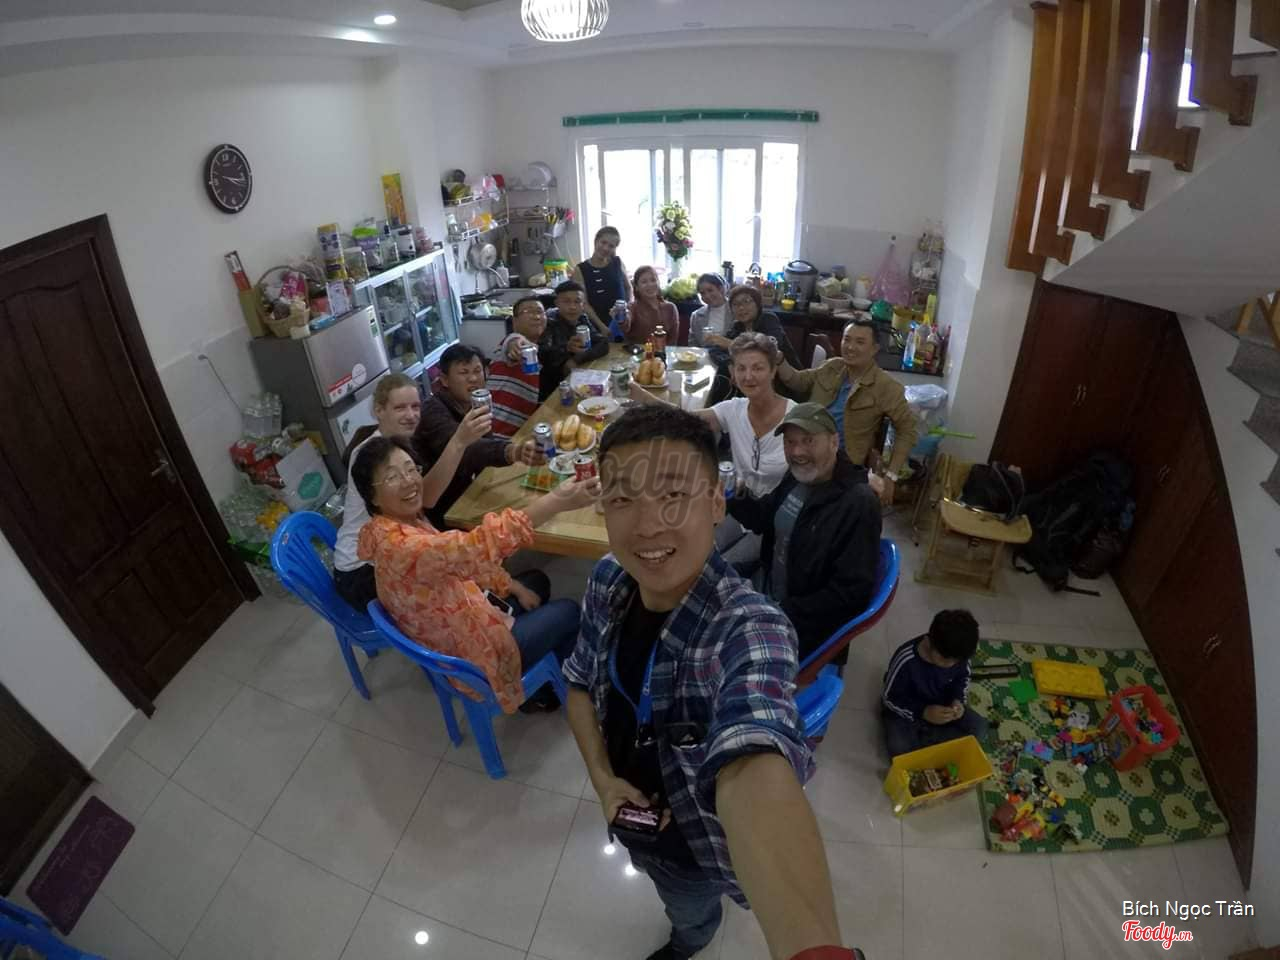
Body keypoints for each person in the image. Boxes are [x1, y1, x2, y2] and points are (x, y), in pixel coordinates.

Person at [563, 405, 865, 960]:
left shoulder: (750, 628)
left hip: (692, 850)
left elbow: (753, 754)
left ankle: (691, 941)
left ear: (716, 502)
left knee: (689, 909)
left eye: (674, 495)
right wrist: (604, 781)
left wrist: (813, 951)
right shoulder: (609, 579)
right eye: (623, 499)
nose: (647, 525)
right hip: (630, 813)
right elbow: (580, 683)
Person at [353, 435, 599, 712]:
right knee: (569, 611)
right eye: (392, 477)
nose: (409, 481)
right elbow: (475, 546)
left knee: (535, 582)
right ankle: (562, 690)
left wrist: (512, 586)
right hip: (475, 653)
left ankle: (543, 664)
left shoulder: (389, 526)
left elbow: (458, 562)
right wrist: (557, 500)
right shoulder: (401, 547)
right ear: (371, 496)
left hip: (463, 614)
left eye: (411, 469)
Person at [726, 403, 882, 663]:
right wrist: (736, 492)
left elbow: (851, 595)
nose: (797, 452)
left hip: (800, 624)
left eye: (808, 441)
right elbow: (764, 519)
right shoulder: (797, 476)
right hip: (768, 585)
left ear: (834, 442)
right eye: (790, 442)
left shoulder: (858, 504)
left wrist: (775, 611)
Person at [332, 374, 491, 611]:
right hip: (361, 570)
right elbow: (426, 499)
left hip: (391, 551)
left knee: (465, 571)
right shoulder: (369, 454)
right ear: (379, 411)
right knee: (456, 595)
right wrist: (458, 441)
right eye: (400, 408)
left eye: (415, 407)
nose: (411, 415)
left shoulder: (400, 443)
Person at [777, 318, 918, 506]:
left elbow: (907, 430)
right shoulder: (832, 367)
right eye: (847, 339)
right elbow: (797, 381)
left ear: (875, 349)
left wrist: (890, 476)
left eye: (860, 342)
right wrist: (779, 360)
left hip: (842, 466)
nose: (850, 347)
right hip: (806, 450)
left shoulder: (886, 386)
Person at [688, 332, 794, 576]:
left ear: (773, 371)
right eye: (741, 368)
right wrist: (640, 399)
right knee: (693, 550)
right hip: (740, 508)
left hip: (774, 523)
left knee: (713, 571)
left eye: (758, 368)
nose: (748, 376)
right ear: (733, 373)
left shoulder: (794, 418)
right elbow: (683, 419)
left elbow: (824, 461)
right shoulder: (733, 409)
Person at [414, 343, 543, 529]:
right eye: (463, 373)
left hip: (471, 493)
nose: (473, 378)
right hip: (442, 513)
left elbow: (484, 448)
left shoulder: (475, 403)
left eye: (477, 371)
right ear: (444, 380)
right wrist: (512, 451)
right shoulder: (433, 411)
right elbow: (466, 449)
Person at [881, 609, 988, 757]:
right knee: (899, 747)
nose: (950, 665)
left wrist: (958, 701)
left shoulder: (959, 656)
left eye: (955, 661)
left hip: (941, 704)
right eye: (945, 660)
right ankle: (929, 739)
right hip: (908, 710)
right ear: (929, 641)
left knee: (980, 729)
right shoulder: (907, 660)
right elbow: (889, 699)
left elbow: (962, 679)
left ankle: (927, 738)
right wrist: (923, 712)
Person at [488, 297, 549, 436]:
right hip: (494, 432)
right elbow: (514, 341)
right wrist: (516, 345)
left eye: (540, 311)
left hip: (518, 433)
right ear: (514, 321)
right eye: (528, 311)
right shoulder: (508, 344)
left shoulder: (538, 351)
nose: (536, 316)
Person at [541, 280, 609, 398]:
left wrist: (577, 359)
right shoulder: (548, 322)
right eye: (566, 301)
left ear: (583, 305)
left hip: (580, 376)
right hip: (554, 387)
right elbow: (545, 355)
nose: (572, 307)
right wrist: (566, 348)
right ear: (557, 303)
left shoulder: (582, 318)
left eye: (577, 301)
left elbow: (603, 343)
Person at [710, 284, 802, 370]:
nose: (741, 308)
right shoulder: (737, 326)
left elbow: (770, 349)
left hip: (786, 376)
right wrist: (729, 363)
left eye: (746, 301)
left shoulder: (768, 319)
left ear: (758, 304)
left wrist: (731, 344)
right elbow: (715, 350)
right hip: (755, 374)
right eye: (735, 304)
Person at [573, 225, 631, 338]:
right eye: (603, 242)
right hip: (597, 327)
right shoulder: (580, 269)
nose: (606, 248)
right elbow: (584, 303)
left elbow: (629, 288)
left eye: (611, 246)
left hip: (623, 323)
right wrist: (602, 327)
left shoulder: (617, 262)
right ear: (596, 241)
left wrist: (628, 309)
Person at [619, 265, 679, 346]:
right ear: (636, 287)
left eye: (653, 280)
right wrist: (620, 316)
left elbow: (673, 341)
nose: (650, 285)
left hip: (663, 352)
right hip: (639, 352)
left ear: (658, 282)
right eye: (644, 282)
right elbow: (625, 326)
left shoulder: (670, 308)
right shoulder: (632, 307)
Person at [688, 273, 730, 348]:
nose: (707, 296)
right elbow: (693, 344)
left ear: (721, 289)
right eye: (702, 293)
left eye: (710, 290)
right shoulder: (696, 316)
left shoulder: (737, 311)